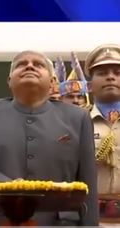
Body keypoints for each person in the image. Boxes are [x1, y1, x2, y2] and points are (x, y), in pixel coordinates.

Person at [0, 50, 99, 226]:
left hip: (59, 223)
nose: (29, 66)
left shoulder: (77, 118)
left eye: (38, 64)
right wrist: (11, 187)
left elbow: (87, 181)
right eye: (21, 64)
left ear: (53, 82)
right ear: (9, 81)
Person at [85, 44, 120, 225]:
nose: (110, 77)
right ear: (89, 86)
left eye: (117, 72)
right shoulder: (76, 123)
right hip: (92, 218)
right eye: (102, 73)